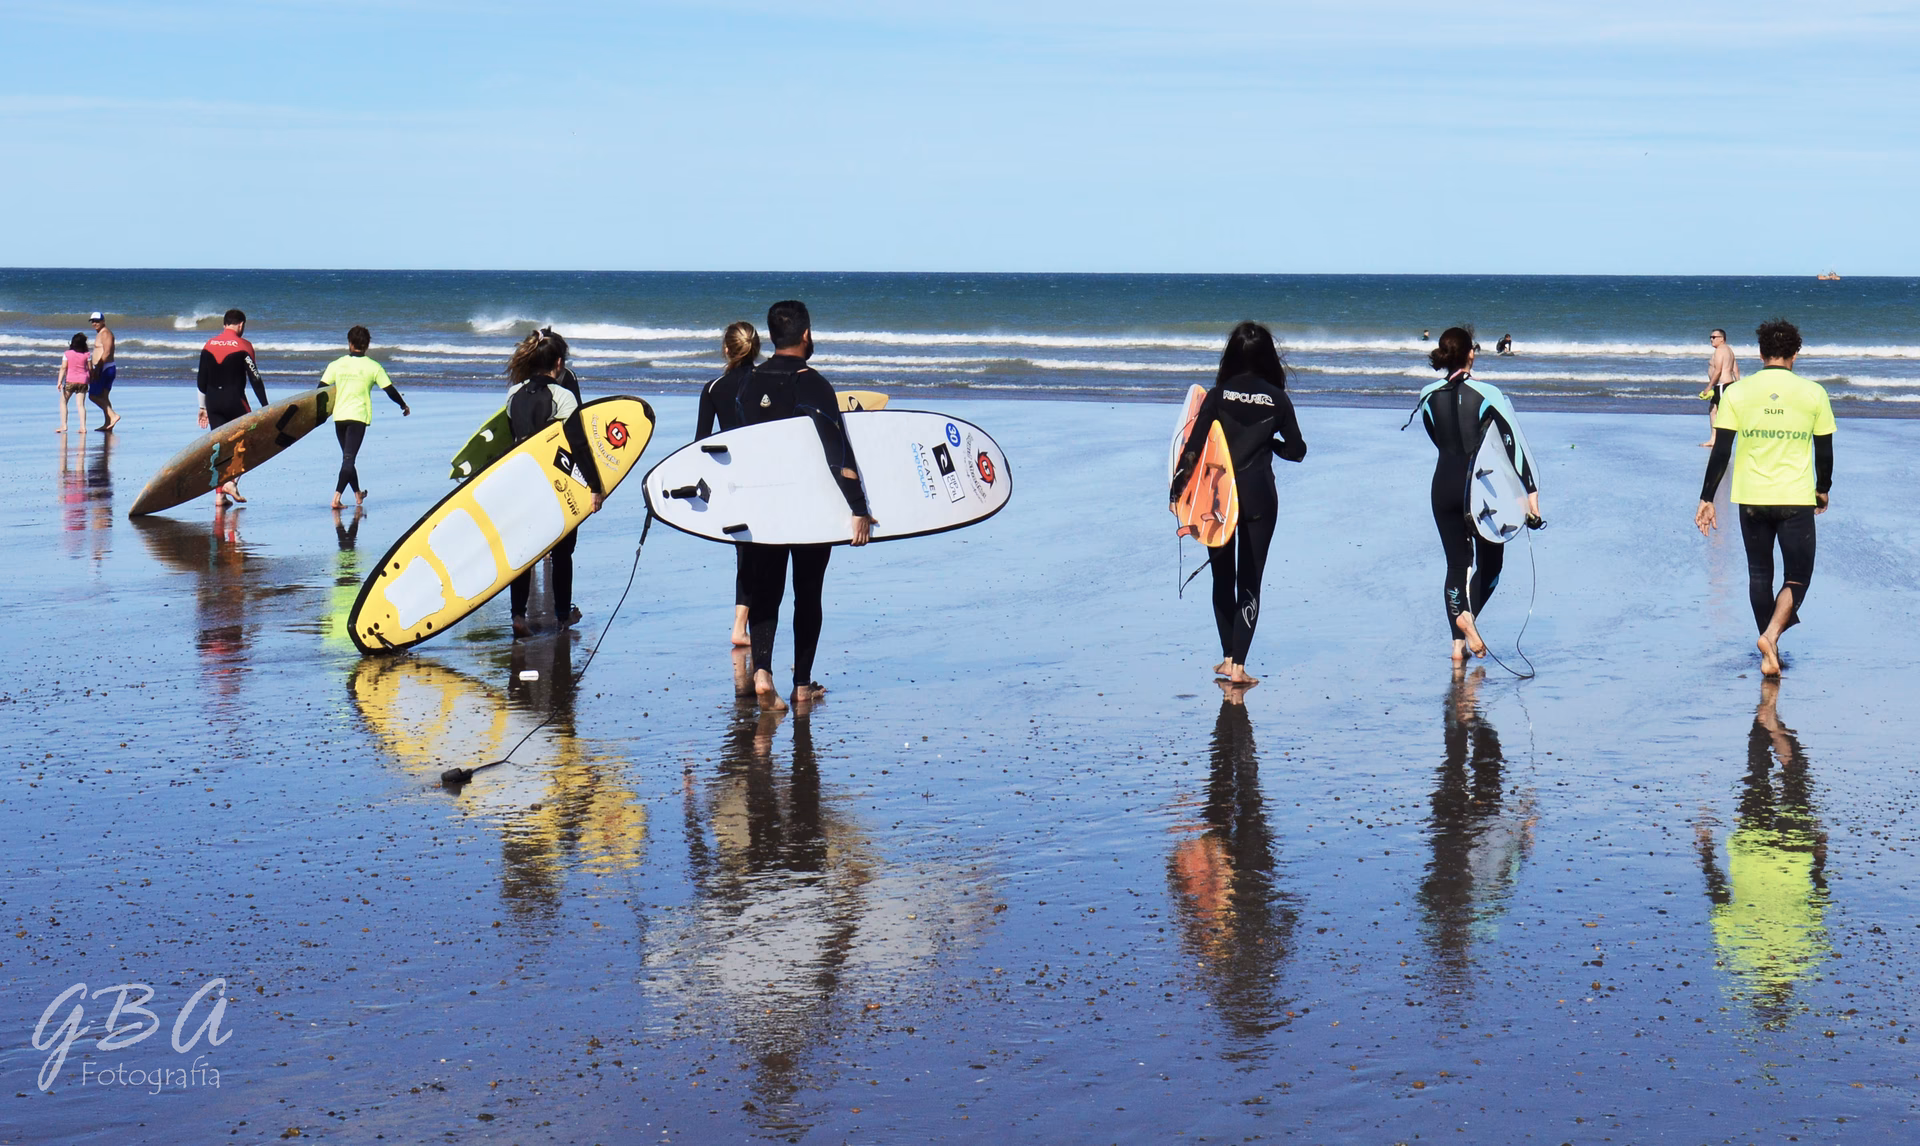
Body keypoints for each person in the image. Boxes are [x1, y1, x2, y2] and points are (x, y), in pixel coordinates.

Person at [735, 300, 875, 711]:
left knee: (766, 590)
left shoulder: (748, 384)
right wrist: (859, 507)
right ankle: (799, 685)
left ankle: (762, 672)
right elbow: (838, 453)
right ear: (807, 335)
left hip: (763, 506)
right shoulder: (812, 383)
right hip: (810, 509)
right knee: (807, 593)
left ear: (773, 337)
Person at [1168, 321, 1308, 687]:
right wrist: (1270, 446)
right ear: (1267, 357)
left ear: (1232, 353)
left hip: (1217, 499)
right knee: (1250, 580)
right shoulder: (1278, 399)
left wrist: (1176, 494)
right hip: (1260, 495)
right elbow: (1298, 451)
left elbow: (1193, 450)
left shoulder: (1218, 395)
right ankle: (1239, 666)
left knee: (1221, 577)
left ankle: (1229, 655)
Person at [1694, 319, 1833, 677]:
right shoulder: (1813, 393)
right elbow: (1824, 452)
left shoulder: (1739, 393)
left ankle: (1768, 647)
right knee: (1798, 576)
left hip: (1751, 498)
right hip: (1795, 498)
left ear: (1760, 353)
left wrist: (1706, 498)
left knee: (1760, 576)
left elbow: (1721, 450)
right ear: (1795, 354)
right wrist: (1823, 489)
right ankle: (1770, 637)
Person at [1415, 326, 1540, 662]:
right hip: (1482, 491)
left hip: (1442, 485)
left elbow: (1435, 436)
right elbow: (1512, 446)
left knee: (1456, 565)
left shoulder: (1427, 395)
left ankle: (1458, 646)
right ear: (1471, 353)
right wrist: (1530, 494)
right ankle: (1466, 619)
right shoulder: (1488, 394)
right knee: (1491, 565)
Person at [504, 328, 603, 639]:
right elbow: (578, 444)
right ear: (559, 363)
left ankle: (518, 615)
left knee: (523, 551)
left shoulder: (513, 395)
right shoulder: (563, 397)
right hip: (555, 484)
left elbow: (514, 441)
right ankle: (562, 615)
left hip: (520, 482)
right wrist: (595, 486)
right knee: (563, 550)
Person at [696, 321, 762, 648]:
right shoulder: (771, 383)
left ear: (726, 349)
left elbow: (700, 446)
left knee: (746, 551)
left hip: (733, 482)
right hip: (768, 477)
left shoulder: (713, 388)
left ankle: (741, 624)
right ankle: (749, 626)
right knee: (768, 553)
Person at [321, 325, 409, 509]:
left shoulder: (336, 365)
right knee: (348, 460)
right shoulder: (374, 367)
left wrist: (318, 414)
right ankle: (336, 498)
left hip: (340, 417)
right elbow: (390, 390)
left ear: (350, 343)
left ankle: (358, 494)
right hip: (358, 417)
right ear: (367, 345)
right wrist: (403, 405)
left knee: (348, 458)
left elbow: (320, 391)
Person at [196, 309, 267, 504]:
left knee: (220, 446)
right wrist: (265, 406)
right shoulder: (244, 345)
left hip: (212, 402)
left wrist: (202, 407)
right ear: (241, 325)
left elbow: (201, 379)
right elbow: (255, 378)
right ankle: (232, 482)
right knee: (250, 441)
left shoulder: (208, 344)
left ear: (224, 324)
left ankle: (219, 495)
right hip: (235, 401)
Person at [1700, 328, 1741, 448]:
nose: (1711, 339)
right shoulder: (1729, 350)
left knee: (1724, 413)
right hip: (1725, 385)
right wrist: (1738, 384)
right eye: (1710, 337)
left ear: (1722, 339)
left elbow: (1718, 370)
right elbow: (1736, 370)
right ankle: (1714, 439)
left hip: (1722, 385)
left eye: (1714, 337)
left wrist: (1709, 386)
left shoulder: (1720, 351)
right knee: (1713, 410)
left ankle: (1722, 441)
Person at [87, 312, 120, 430]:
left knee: (93, 396)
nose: (95, 323)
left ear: (103, 321)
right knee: (104, 397)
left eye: (97, 321)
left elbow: (107, 352)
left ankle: (113, 415)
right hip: (105, 367)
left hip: (105, 368)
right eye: (93, 321)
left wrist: (98, 367)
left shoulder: (105, 333)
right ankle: (108, 423)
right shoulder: (101, 333)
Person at [56, 333, 91, 433]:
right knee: (80, 405)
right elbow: (90, 368)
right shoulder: (87, 354)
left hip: (70, 381)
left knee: (63, 402)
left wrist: (59, 381)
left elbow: (63, 367)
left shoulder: (67, 353)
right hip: (83, 381)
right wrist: (91, 378)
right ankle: (83, 427)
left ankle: (64, 425)